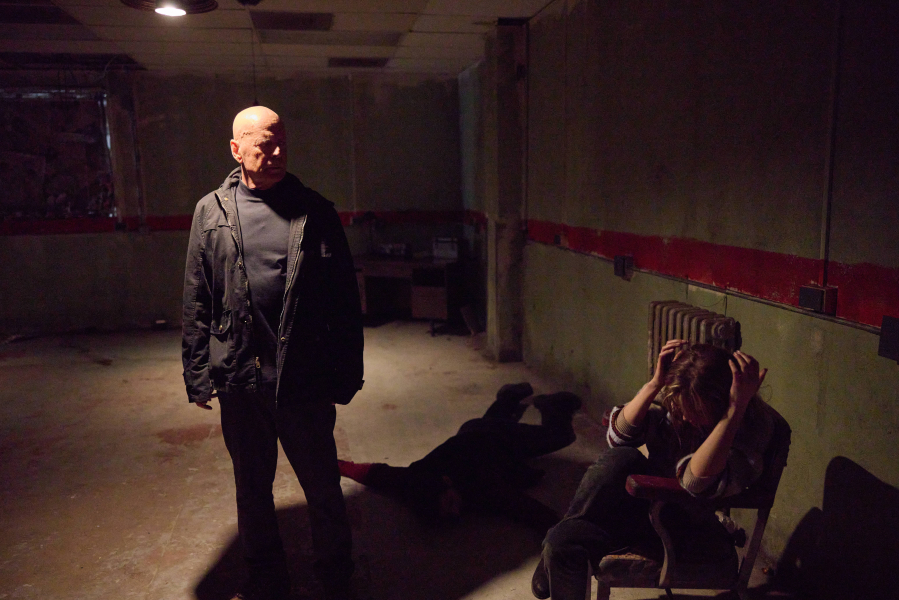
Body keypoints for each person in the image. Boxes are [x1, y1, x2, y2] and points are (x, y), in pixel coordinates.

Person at [181, 106, 364, 600]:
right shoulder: (210, 213)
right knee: (252, 490)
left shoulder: (316, 211)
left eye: (282, 141)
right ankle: (265, 577)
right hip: (241, 380)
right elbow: (197, 296)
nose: (278, 152)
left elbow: (345, 299)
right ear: (237, 149)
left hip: (303, 378)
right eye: (265, 144)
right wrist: (198, 374)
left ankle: (335, 574)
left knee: (322, 487)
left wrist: (347, 370)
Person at [531, 341, 773, 600]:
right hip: (646, 506)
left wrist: (734, 411)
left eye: (696, 410)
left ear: (721, 400)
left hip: (685, 525)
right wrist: (655, 383)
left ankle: (553, 547)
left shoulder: (750, 426)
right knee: (621, 458)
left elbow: (694, 483)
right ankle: (556, 544)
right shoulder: (682, 397)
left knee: (565, 542)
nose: (686, 416)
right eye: (683, 407)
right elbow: (617, 437)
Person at [337, 382, 582, 532]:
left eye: (451, 504)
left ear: (447, 482)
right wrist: (335, 465)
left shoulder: (478, 483)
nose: (455, 513)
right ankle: (508, 397)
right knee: (484, 426)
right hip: (471, 431)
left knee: (560, 436)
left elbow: (520, 506)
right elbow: (375, 474)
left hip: (500, 440)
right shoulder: (413, 482)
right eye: (447, 513)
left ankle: (550, 405)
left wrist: (560, 530)